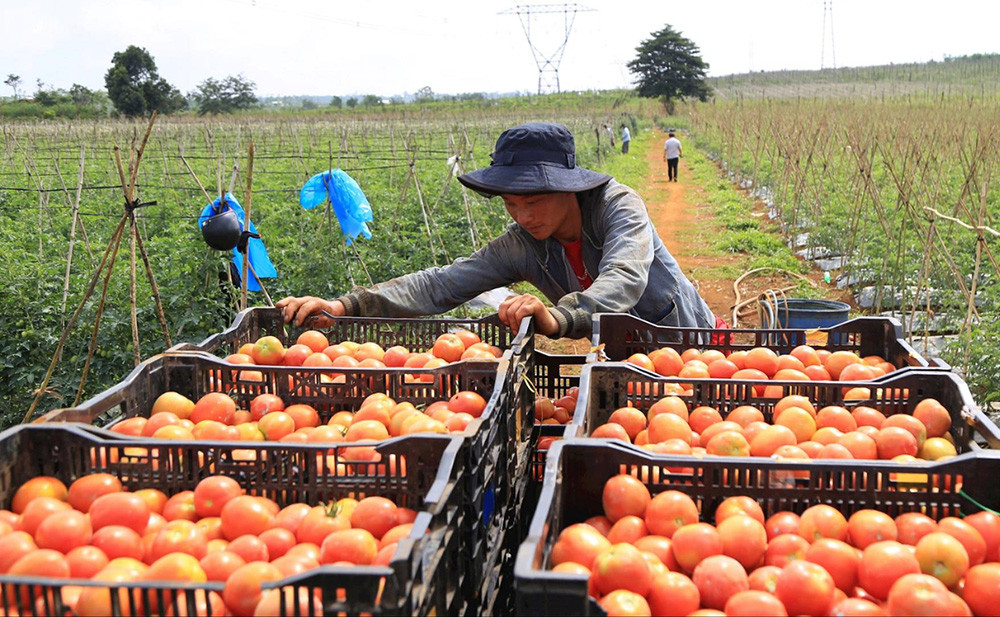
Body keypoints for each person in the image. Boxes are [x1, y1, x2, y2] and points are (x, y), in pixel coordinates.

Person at [278, 122, 719, 339]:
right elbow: (443, 283)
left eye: (533, 201)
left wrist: (561, 317)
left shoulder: (617, 206)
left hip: (692, 348)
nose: (522, 215)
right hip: (623, 361)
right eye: (511, 203)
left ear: (566, 189)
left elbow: (624, 275)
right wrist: (347, 304)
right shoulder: (523, 245)